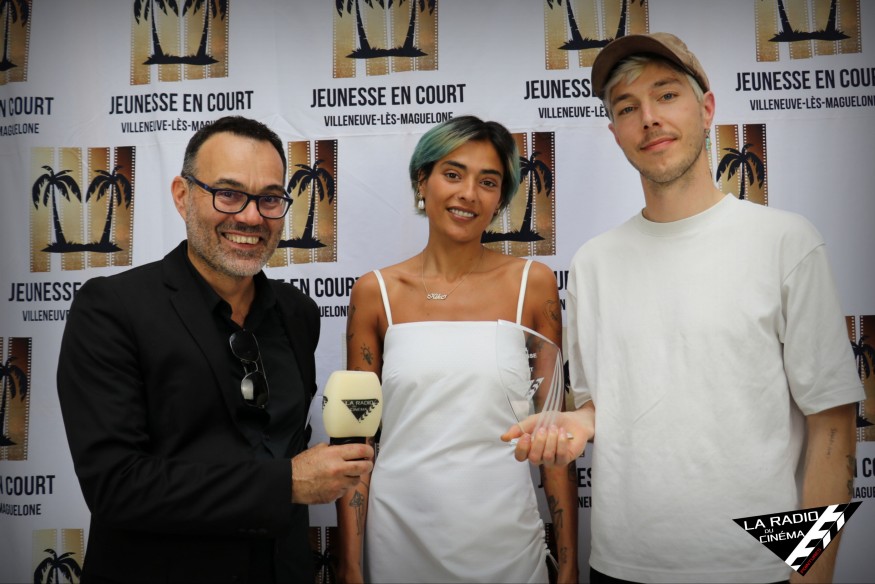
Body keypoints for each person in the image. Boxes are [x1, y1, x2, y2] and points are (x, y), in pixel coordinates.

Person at [503, 33, 864, 583]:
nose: (649, 118)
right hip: (621, 565)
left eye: (667, 95)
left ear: (707, 108)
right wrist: (577, 423)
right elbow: (602, 405)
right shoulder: (594, 262)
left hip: (757, 567)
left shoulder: (786, 242)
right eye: (627, 107)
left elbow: (832, 424)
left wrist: (810, 576)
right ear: (615, 133)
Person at [56, 115, 374, 583]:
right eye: (228, 193)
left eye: (269, 198)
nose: (251, 217)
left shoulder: (298, 313)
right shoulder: (112, 308)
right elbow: (116, 485)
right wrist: (285, 483)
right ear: (182, 195)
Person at [335, 115, 579, 583]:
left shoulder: (533, 285)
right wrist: (349, 567)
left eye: (488, 182)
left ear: (500, 199)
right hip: (400, 539)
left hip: (506, 542)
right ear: (421, 181)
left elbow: (555, 436)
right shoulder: (375, 293)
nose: (469, 193)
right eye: (453, 174)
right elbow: (355, 441)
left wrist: (568, 568)